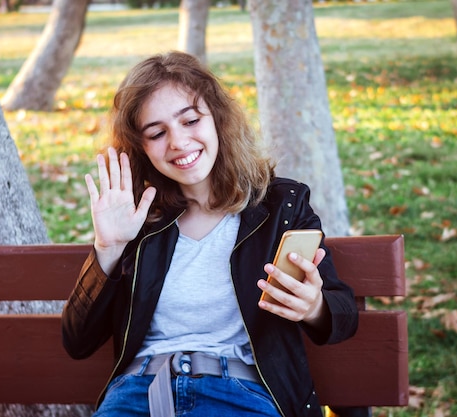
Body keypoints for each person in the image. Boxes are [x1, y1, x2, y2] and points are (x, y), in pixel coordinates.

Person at [62, 51, 358, 417]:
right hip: (139, 396)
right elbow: (77, 341)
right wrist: (108, 248)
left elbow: (344, 314)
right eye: (157, 132)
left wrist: (314, 306)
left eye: (190, 120)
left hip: (241, 395)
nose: (178, 142)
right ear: (141, 146)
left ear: (216, 117)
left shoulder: (281, 206)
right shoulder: (136, 219)